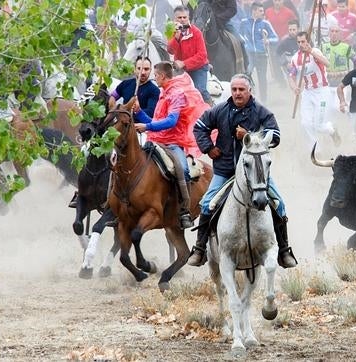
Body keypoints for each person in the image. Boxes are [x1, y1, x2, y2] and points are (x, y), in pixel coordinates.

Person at [187, 73, 298, 268]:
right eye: (234, 90)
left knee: (279, 204)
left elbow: (276, 135)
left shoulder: (261, 112)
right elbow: (199, 127)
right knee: (206, 204)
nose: (237, 93)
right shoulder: (219, 110)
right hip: (225, 169)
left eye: (241, 90)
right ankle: (200, 248)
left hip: (255, 172)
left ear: (249, 91)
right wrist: (209, 148)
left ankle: (284, 250)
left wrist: (249, 135)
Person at [68, 56, 160, 209]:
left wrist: (138, 109)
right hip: (119, 127)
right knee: (87, 149)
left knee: (137, 150)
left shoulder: (153, 90)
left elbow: (151, 114)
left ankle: (130, 189)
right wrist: (112, 101)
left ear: (150, 71)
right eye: (139, 68)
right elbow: (113, 97)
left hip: (139, 128)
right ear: (134, 69)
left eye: (146, 69)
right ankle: (82, 189)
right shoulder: (126, 84)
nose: (142, 72)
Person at [132, 61, 209, 229]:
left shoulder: (176, 94)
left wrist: (147, 127)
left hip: (173, 143)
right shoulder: (163, 93)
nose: (154, 78)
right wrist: (139, 112)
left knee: (183, 169)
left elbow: (172, 121)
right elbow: (155, 121)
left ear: (162, 76)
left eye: (155, 75)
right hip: (156, 140)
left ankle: (184, 211)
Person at [288, 31, 341, 149]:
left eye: (303, 41)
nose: (301, 44)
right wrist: (294, 88)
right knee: (305, 123)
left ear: (308, 41)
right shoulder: (295, 58)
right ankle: (316, 150)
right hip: (307, 92)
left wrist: (311, 51)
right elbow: (291, 76)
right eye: (299, 42)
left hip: (322, 91)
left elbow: (327, 63)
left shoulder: (315, 52)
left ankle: (332, 130)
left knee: (319, 125)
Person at [167, 5, 212, 104]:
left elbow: (202, 55)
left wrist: (184, 63)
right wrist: (177, 38)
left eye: (184, 17)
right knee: (171, 90)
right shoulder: (172, 32)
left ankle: (211, 111)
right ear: (175, 19)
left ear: (189, 18)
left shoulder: (196, 32)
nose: (182, 20)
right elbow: (170, 50)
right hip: (181, 69)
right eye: (179, 17)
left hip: (199, 68)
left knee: (199, 90)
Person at [240, 2, 279, 103]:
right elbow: (239, 35)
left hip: (262, 55)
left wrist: (268, 41)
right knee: (246, 76)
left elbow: (276, 38)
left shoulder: (265, 23)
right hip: (249, 56)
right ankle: (247, 99)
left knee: (262, 79)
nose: (263, 13)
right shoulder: (244, 22)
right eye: (260, 11)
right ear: (254, 11)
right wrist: (245, 43)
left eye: (263, 11)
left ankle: (264, 101)